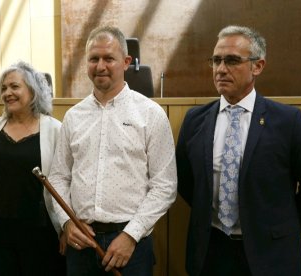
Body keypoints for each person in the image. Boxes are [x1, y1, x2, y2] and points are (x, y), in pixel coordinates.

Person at [176, 25, 301, 276]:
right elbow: (185, 182)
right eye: (216, 60)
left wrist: (283, 229)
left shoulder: (287, 121)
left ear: (257, 66)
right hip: (211, 253)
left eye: (232, 61)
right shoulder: (196, 120)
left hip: (271, 256)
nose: (221, 69)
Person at [49, 26, 177, 275]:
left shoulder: (150, 114)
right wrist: (66, 223)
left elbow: (165, 186)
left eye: (109, 58)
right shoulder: (74, 117)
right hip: (82, 243)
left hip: (132, 246)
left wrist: (131, 235)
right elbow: (58, 177)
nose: (100, 66)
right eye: (94, 59)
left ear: (126, 62)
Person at [0, 61, 67, 275]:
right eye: (3, 88)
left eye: (14, 86)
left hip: (41, 234)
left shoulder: (55, 130)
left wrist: (66, 228)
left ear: (33, 90)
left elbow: (64, 182)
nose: (7, 93)